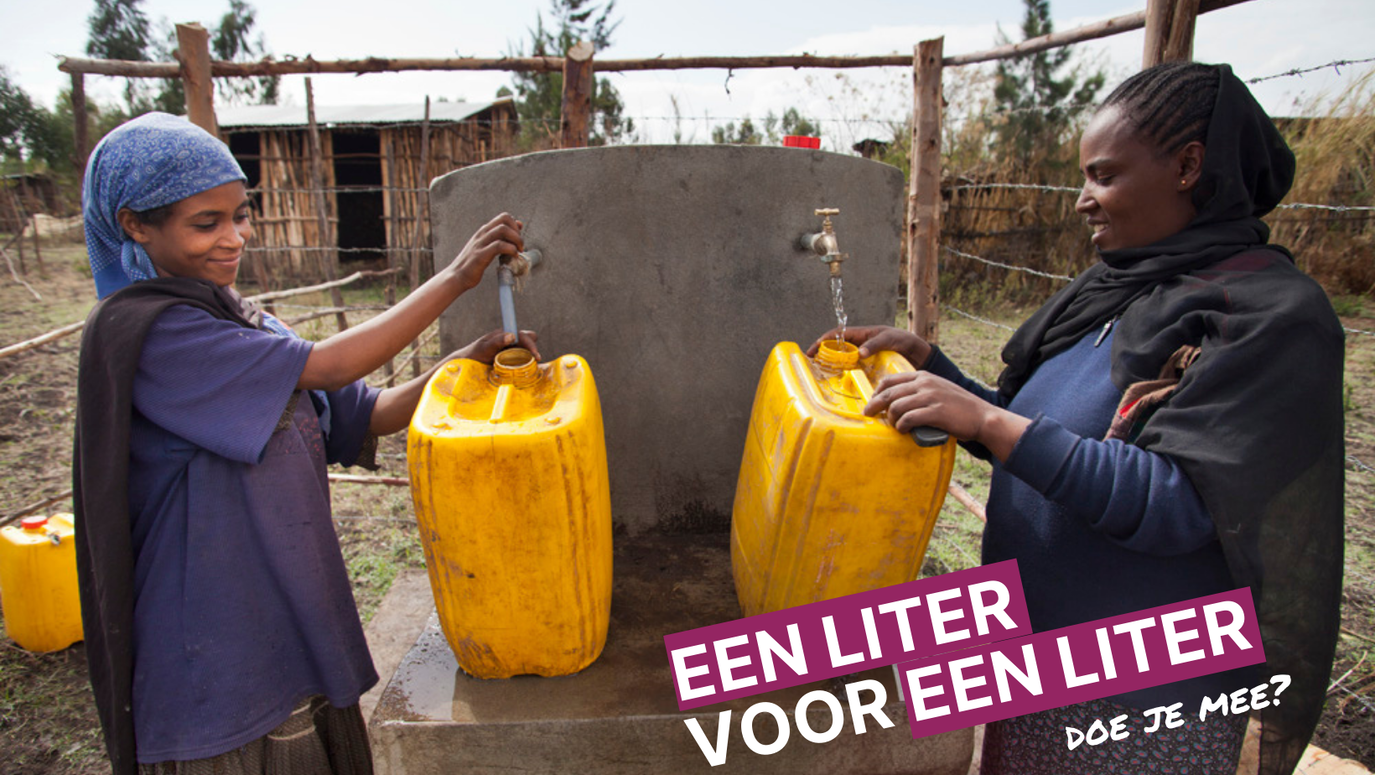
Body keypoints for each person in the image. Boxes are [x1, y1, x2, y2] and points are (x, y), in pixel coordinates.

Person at [814, 62, 1344, 775]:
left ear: (1188, 166)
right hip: (1040, 653)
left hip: (1141, 692)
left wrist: (987, 422)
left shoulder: (1265, 316)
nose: (1081, 201)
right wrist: (938, 373)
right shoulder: (1121, 291)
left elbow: (1178, 501)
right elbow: (1045, 434)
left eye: (1102, 176)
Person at [73, 112, 537, 775]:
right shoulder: (149, 335)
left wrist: (464, 360)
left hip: (284, 616)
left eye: (240, 214)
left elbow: (368, 412)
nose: (233, 238)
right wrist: (455, 279)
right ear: (133, 225)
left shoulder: (240, 319)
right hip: (213, 647)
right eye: (205, 223)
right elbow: (327, 366)